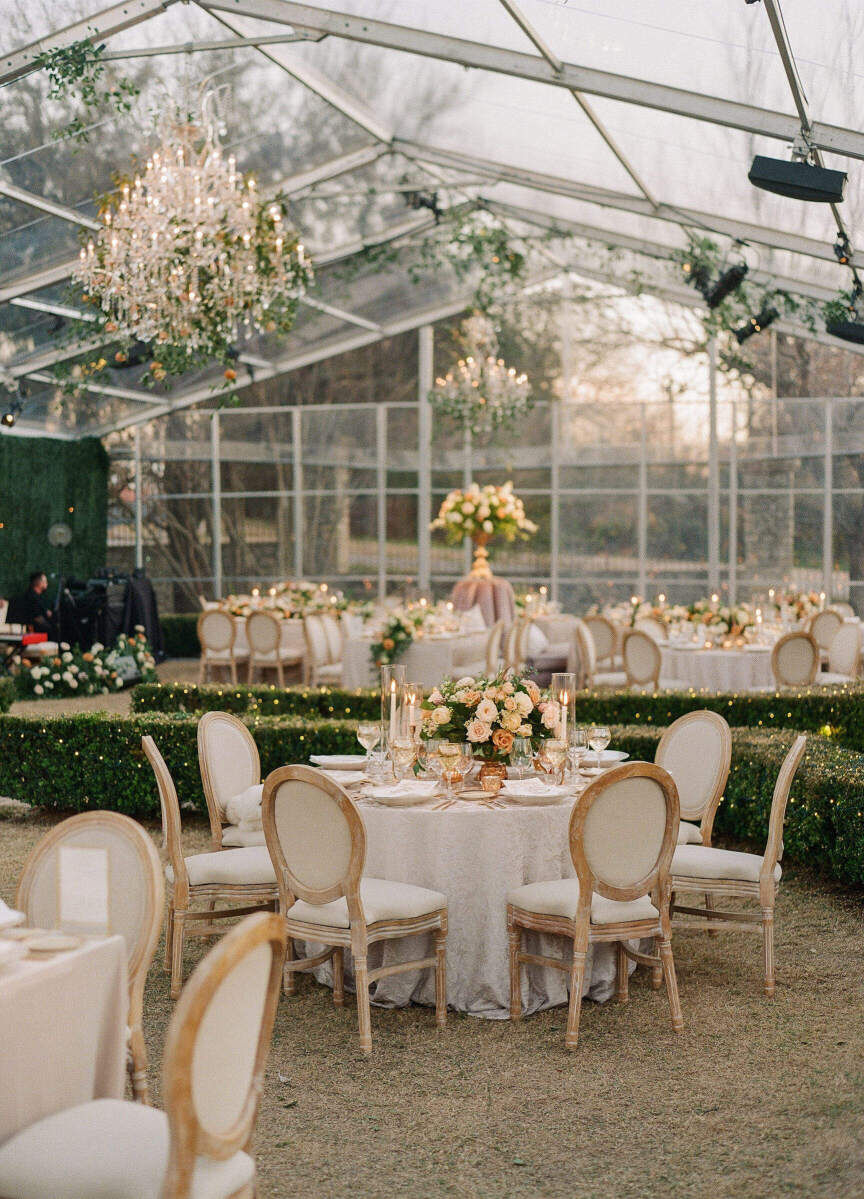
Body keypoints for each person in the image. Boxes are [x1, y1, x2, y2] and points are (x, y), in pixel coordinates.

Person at [7, 571, 57, 637]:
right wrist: (53, 630)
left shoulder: (37, 597)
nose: (47, 583)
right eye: (45, 581)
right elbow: (37, 618)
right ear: (38, 583)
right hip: (33, 631)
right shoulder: (31, 597)